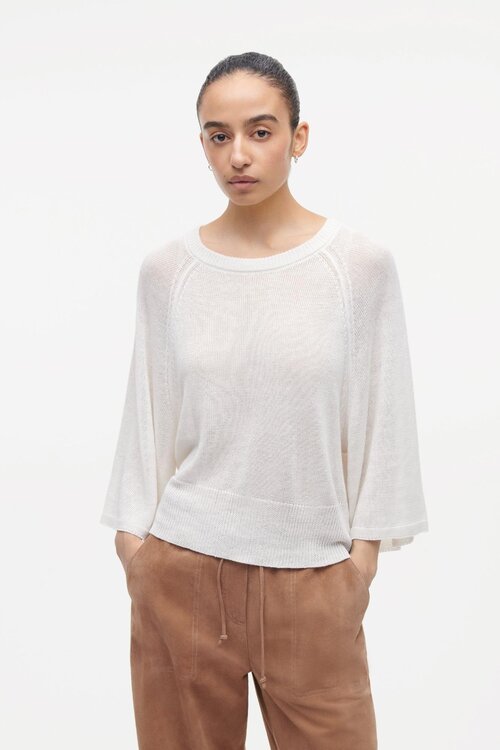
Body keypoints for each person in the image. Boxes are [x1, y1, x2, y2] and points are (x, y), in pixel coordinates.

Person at [100, 51, 429, 750]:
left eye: (260, 131)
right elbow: (147, 418)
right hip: (183, 573)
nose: (238, 155)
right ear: (202, 144)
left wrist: (361, 561)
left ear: (298, 137)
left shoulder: (358, 267)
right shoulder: (167, 272)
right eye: (218, 136)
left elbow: (386, 419)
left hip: (314, 579)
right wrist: (135, 551)